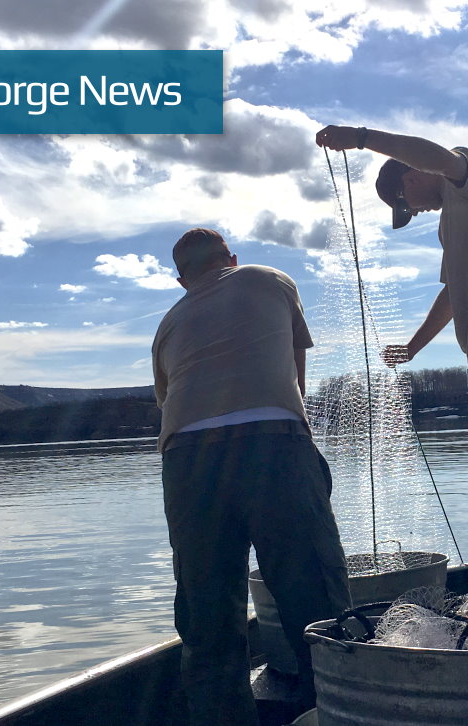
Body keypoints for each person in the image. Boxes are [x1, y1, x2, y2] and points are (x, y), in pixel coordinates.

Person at [314, 125, 468, 604]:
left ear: (412, 174)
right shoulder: (452, 224)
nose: (414, 212)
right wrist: (415, 347)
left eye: (405, 202)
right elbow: (451, 294)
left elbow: (433, 154)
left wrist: (360, 138)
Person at [152, 228, 352, 725]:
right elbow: (295, 375)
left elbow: (169, 407)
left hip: (187, 461)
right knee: (315, 598)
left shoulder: (167, 325)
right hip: (272, 443)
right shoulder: (269, 280)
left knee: (207, 616)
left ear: (182, 280)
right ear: (232, 259)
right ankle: (337, 712)